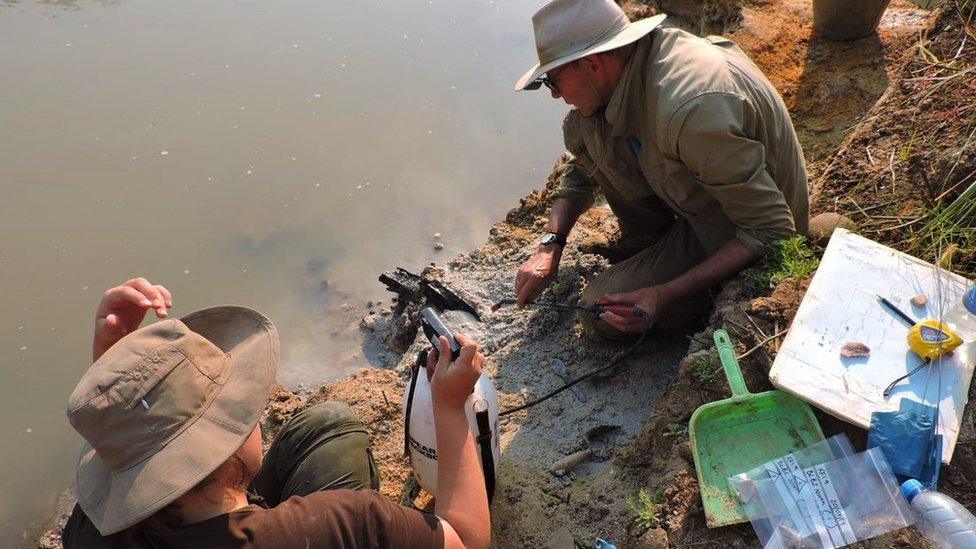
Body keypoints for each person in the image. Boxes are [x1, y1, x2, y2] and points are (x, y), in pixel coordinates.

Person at [61, 277, 490, 548]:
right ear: (225, 444)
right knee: (337, 430)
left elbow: (122, 444)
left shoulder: (91, 534)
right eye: (239, 406)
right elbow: (467, 540)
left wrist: (116, 367)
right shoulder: (341, 525)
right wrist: (449, 408)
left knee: (326, 425)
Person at [513, 0, 810, 339]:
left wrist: (662, 295)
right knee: (587, 128)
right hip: (715, 198)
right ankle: (655, 247)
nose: (555, 95)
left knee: (599, 310)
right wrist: (550, 245)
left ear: (593, 65)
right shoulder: (634, 65)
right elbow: (582, 173)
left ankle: (696, 297)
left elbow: (771, 229)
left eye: (554, 81)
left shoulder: (688, 109)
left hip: (750, 232)